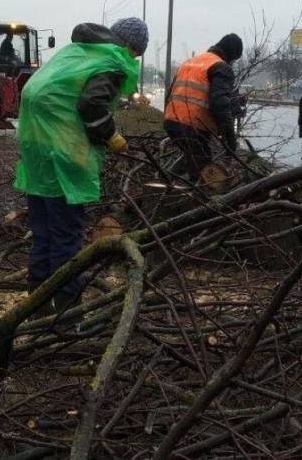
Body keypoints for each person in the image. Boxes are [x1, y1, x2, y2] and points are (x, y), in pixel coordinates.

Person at [14, 17, 147, 315]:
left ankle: (34, 309)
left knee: (43, 232)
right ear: (129, 46)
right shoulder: (111, 61)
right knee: (66, 236)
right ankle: (66, 313)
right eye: (136, 54)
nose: (134, 60)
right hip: (64, 155)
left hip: (37, 150)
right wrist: (111, 136)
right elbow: (91, 106)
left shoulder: (76, 52)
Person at [164, 33, 244, 180]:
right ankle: (193, 197)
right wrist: (229, 137)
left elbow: (170, 93)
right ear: (231, 55)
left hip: (171, 121)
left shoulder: (191, 61)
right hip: (193, 126)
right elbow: (219, 103)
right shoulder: (221, 67)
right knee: (203, 168)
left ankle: (164, 180)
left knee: (193, 156)